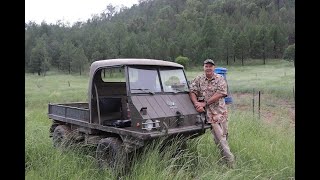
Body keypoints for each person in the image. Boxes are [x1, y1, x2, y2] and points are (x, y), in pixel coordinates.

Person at [189, 59, 235, 167]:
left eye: (210, 66)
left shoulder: (220, 79)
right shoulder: (199, 79)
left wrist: (204, 103)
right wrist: (196, 103)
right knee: (221, 139)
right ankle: (231, 163)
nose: (208, 68)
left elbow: (221, 93)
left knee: (223, 137)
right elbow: (192, 91)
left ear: (214, 68)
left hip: (219, 113)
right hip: (209, 115)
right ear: (203, 67)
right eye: (206, 66)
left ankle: (224, 160)